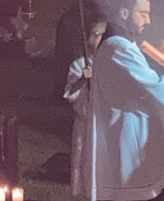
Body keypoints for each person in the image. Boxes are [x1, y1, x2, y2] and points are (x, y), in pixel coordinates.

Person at [83, 0, 164, 201]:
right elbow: (152, 86)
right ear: (124, 12)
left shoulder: (121, 44)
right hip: (127, 137)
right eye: (143, 14)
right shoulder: (117, 47)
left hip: (129, 130)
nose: (148, 21)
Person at [64, 13, 107, 198]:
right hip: (85, 125)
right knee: (84, 167)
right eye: (95, 34)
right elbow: (70, 94)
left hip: (105, 127)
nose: (96, 39)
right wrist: (83, 79)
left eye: (101, 35)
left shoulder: (111, 64)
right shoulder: (80, 64)